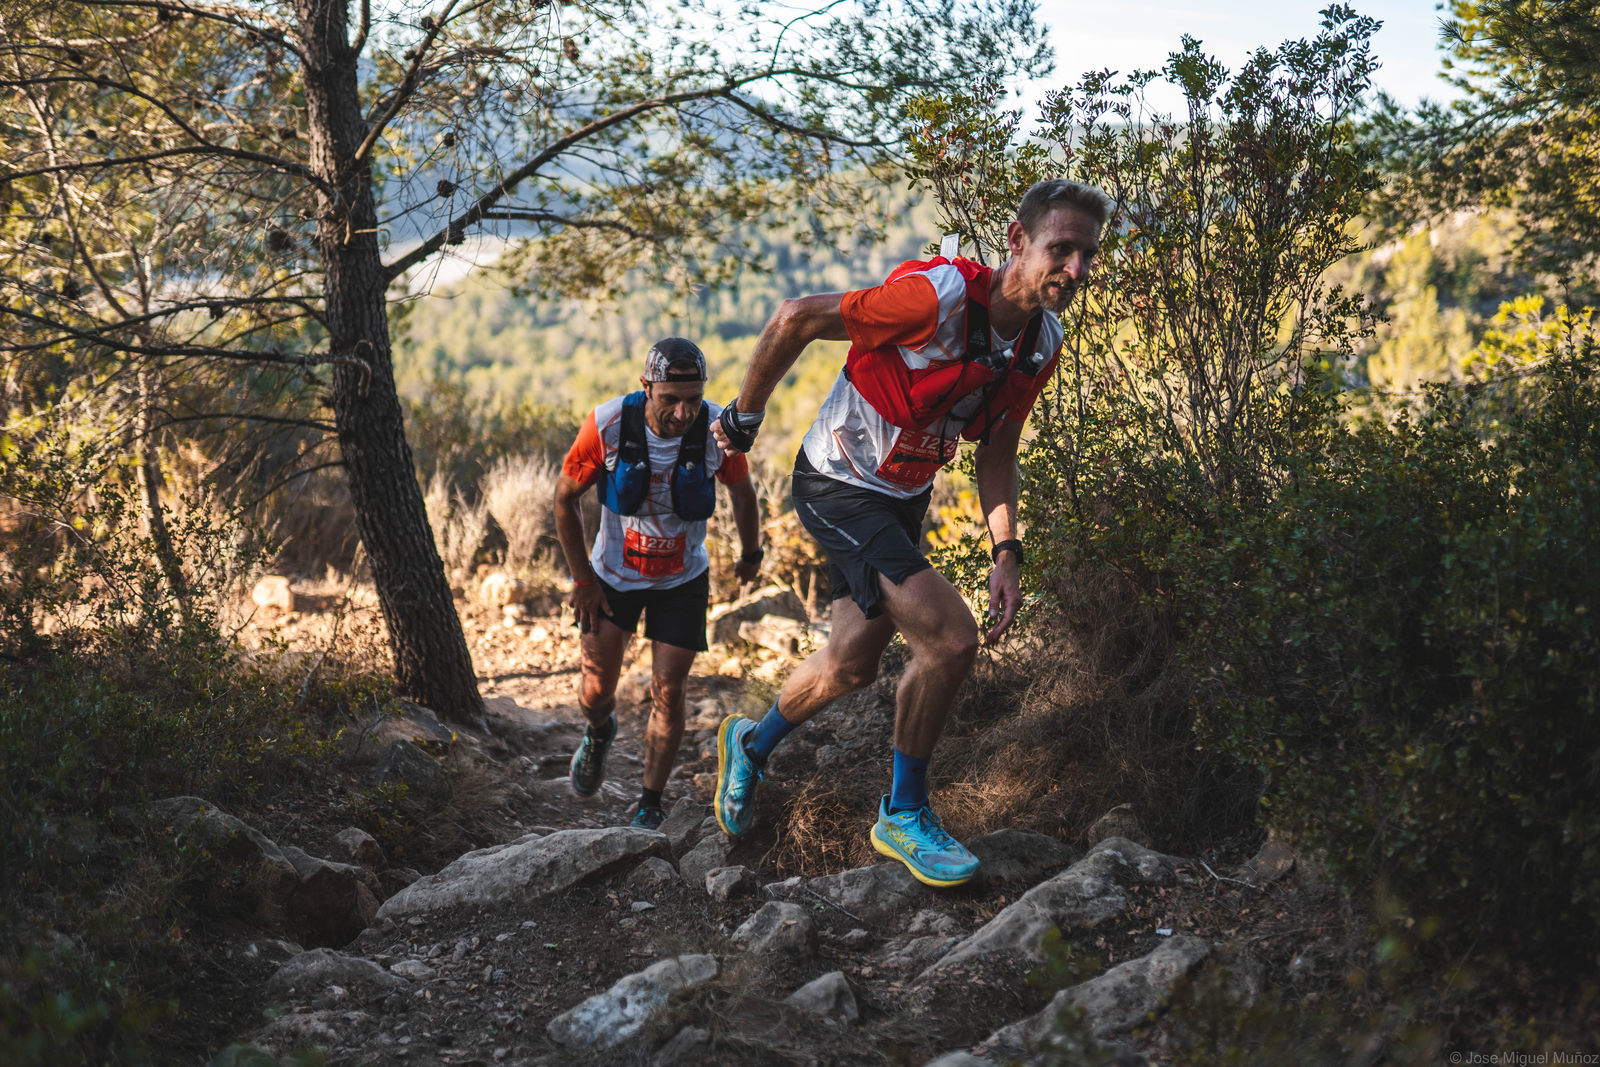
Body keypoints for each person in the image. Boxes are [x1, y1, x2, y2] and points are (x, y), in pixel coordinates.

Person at [709, 178, 1111, 885]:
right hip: (837, 482)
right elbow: (796, 317)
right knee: (950, 640)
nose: (1076, 269)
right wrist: (743, 417)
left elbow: (998, 453)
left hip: (902, 495)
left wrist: (1006, 551)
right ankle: (903, 810)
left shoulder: (1040, 342)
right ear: (1018, 242)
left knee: (850, 664)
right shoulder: (936, 299)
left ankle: (749, 743)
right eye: (1061, 249)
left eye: (1088, 255)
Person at [554, 337, 763, 829]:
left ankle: (650, 802)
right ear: (646, 387)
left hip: (683, 580)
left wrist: (750, 553)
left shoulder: (717, 430)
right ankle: (599, 732)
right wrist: (582, 580)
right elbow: (564, 499)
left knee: (669, 691)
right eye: (670, 398)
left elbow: (742, 491)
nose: (683, 412)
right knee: (594, 693)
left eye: (693, 398)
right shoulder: (607, 424)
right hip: (611, 579)